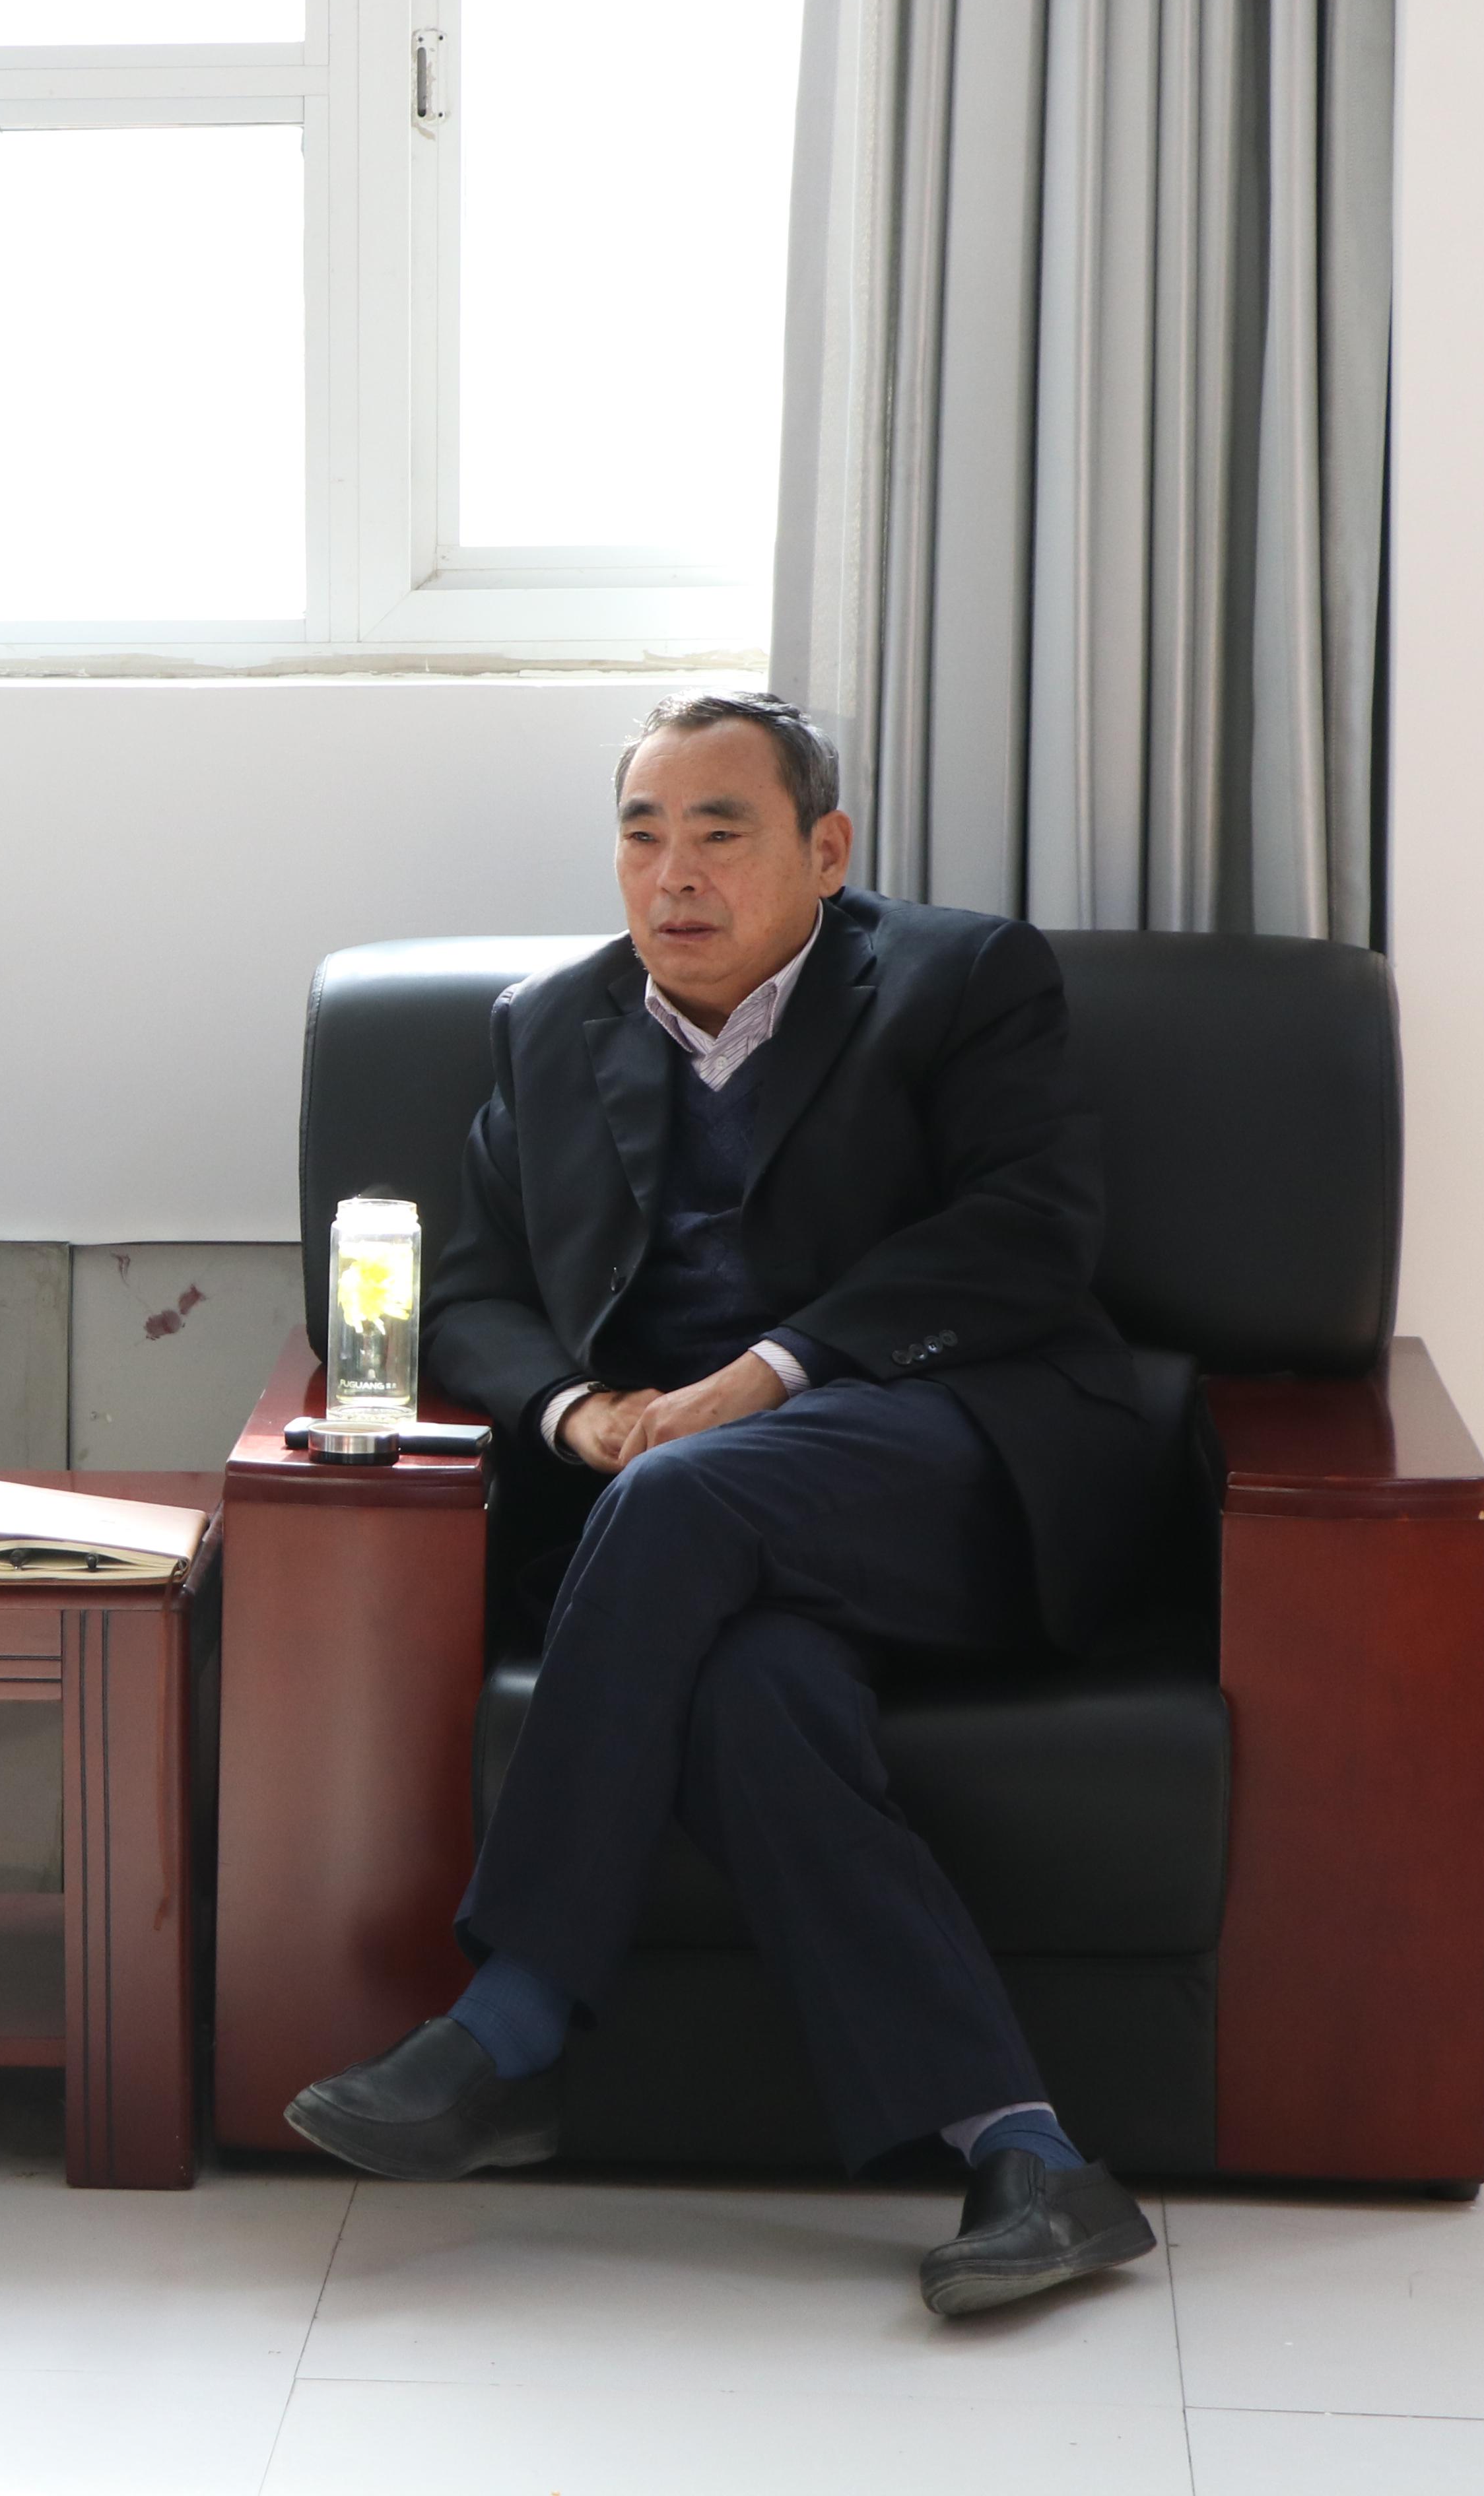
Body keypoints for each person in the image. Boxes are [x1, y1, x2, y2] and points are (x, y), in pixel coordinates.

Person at [284, 691, 1170, 2318]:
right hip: (687, 1517)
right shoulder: (551, 1025)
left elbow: (1029, 1231)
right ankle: (1029, 2155)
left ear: (825, 850)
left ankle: (510, 2025)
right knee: (755, 1690)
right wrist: (579, 1410)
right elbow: (472, 1293)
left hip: (950, 1462)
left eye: (720, 831)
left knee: (691, 1494)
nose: (672, 873)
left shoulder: (961, 981)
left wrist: (762, 1377)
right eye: (642, 834)